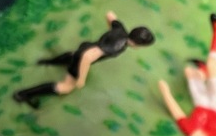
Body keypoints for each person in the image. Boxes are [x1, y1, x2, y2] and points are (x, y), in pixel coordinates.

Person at [13, 11, 154, 108]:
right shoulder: (116, 46)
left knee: (72, 55)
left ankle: (47, 62)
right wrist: (81, 78)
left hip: (86, 46)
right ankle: (23, 95)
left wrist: (109, 34)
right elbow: (87, 57)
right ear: (137, 44)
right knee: (66, 87)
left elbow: (110, 15)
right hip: (83, 56)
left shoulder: (121, 29)